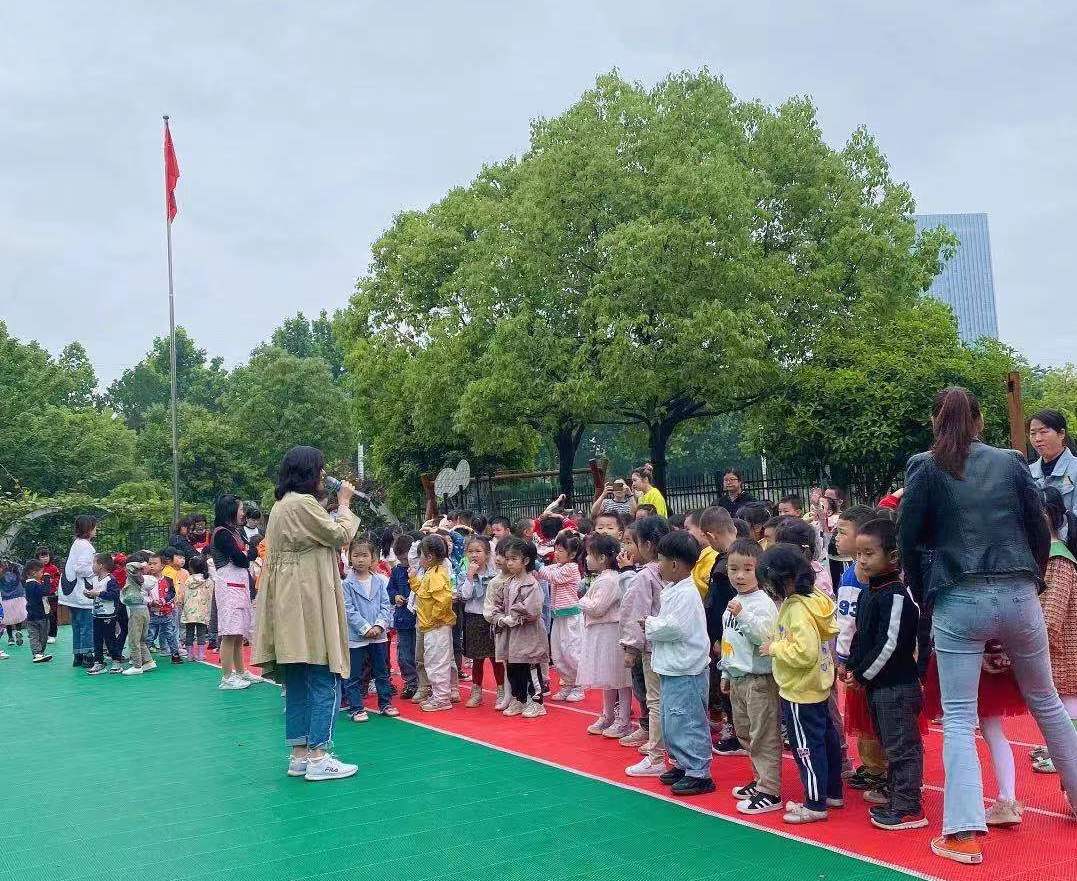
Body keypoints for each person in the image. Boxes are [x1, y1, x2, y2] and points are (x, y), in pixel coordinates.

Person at [898, 386, 1077, 865]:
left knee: (959, 716)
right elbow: (1038, 528)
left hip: (958, 596)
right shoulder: (1011, 462)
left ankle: (962, 833)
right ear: (978, 421)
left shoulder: (924, 467)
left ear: (935, 422)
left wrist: (925, 594)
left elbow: (909, 539)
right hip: (1018, 591)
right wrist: (1033, 580)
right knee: (1047, 703)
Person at [253, 446, 360, 782]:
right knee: (325, 672)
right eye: (320, 468)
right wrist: (344, 504)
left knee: (298, 678)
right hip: (309, 599)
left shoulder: (282, 505)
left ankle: (300, 754)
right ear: (308, 472)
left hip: (289, 601)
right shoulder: (303, 504)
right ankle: (319, 755)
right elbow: (341, 534)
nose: (323, 474)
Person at [843, 519, 926, 831]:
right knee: (889, 743)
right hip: (879, 686)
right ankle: (897, 794)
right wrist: (852, 665)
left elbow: (889, 644)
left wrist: (862, 675)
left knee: (902, 746)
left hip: (897, 686)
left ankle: (908, 806)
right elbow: (862, 636)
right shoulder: (869, 592)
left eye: (869, 553)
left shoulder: (895, 595)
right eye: (858, 554)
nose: (862, 561)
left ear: (892, 556)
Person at [758, 544, 842, 825]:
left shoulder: (797, 608)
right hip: (816, 683)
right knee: (826, 739)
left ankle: (815, 803)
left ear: (786, 579)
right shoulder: (813, 599)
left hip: (799, 688)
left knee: (806, 746)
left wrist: (774, 648)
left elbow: (804, 652)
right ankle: (832, 792)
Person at [646, 530, 715, 796]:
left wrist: (649, 624)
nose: (658, 565)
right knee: (672, 719)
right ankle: (682, 763)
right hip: (673, 667)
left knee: (687, 719)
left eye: (661, 559)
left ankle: (698, 771)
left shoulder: (687, 593)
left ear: (674, 564)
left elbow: (675, 628)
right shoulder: (675, 590)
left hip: (686, 670)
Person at [720, 538, 782, 814]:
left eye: (747, 569)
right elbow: (729, 640)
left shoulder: (762, 603)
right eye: (734, 569)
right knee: (745, 733)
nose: (740, 576)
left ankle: (770, 790)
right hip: (738, 678)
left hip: (759, 680)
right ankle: (759, 780)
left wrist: (744, 615)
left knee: (763, 735)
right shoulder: (735, 601)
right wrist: (725, 670)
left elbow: (764, 638)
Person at [832, 504, 888, 793]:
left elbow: (848, 622)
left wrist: (842, 657)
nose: (836, 538)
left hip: (864, 656)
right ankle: (872, 765)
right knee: (865, 714)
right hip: (862, 654)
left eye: (842, 532)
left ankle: (881, 770)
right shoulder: (852, 571)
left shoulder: (858, 577)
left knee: (871, 714)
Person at [619, 515, 671, 777]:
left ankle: (656, 755)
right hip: (672, 646)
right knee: (669, 700)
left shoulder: (645, 577)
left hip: (653, 647)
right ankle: (671, 750)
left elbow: (635, 613)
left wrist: (631, 647)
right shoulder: (674, 572)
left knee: (656, 700)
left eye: (634, 542)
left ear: (647, 545)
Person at [1030, 487, 1077, 775]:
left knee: (1068, 702)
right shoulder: (1049, 555)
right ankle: (1060, 750)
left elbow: (1052, 615)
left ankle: (1067, 756)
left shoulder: (1058, 560)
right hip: (1059, 646)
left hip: (1065, 648)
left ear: (1046, 516)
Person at [579, 533, 634, 738]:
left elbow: (597, 608)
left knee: (619, 677)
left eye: (589, 554)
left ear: (602, 558)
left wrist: (581, 601)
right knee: (608, 677)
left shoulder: (610, 579)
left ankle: (623, 720)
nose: (586, 558)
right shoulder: (604, 578)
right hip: (603, 632)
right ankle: (608, 715)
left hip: (611, 633)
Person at [490, 536, 548, 718]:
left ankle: (537, 702)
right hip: (512, 635)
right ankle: (519, 698)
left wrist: (514, 616)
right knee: (514, 668)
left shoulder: (532, 584)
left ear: (526, 561)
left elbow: (533, 610)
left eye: (514, 559)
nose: (509, 563)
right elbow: (498, 604)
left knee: (530, 667)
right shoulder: (509, 583)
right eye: (507, 559)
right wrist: (500, 618)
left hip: (529, 634)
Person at [341, 535, 396, 721]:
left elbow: (385, 605)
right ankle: (356, 707)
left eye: (365, 555)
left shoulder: (380, 580)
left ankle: (385, 703)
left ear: (373, 558)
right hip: (356, 637)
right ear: (350, 557)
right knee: (354, 673)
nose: (360, 559)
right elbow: (349, 610)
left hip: (378, 636)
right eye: (356, 555)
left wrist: (379, 626)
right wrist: (365, 628)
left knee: (381, 671)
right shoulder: (346, 584)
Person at [409, 534, 457, 712]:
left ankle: (442, 698)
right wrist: (413, 579)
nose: (419, 558)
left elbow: (443, 599)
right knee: (432, 661)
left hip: (436, 626)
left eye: (421, 555)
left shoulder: (436, 574)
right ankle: (439, 695)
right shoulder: (431, 572)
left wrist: (436, 618)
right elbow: (423, 592)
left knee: (437, 663)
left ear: (429, 557)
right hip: (431, 625)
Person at [211, 495, 255, 689]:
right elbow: (240, 559)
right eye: (241, 509)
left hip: (239, 585)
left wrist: (248, 554)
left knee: (238, 633)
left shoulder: (236, 531)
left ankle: (241, 671)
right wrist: (249, 554)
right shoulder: (221, 534)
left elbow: (247, 554)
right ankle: (227, 677)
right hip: (228, 586)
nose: (243, 513)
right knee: (229, 632)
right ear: (231, 510)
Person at [535, 531, 584, 703]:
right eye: (556, 549)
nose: (556, 553)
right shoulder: (557, 566)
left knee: (572, 652)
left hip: (571, 617)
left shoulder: (571, 568)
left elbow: (552, 576)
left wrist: (537, 565)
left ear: (572, 554)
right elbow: (544, 573)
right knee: (558, 653)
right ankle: (567, 684)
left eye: (561, 550)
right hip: (558, 616)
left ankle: (579, 685)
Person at [458, 534, 501, 708]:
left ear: (488, 554)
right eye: (470, 551)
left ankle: (502, 690)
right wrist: (470, 576)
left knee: (496, 657)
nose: (474, 555)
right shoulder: (464, 574)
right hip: (473, 619)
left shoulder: (496, 574)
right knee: (477, 659)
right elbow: (465, 595)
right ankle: (476, 691)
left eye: (478, 551)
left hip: (491, 619)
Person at [62, 515, 97, 667]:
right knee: (87, 624)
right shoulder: (86, 546)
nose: (96, 530)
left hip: (71, 591)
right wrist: (96, 570)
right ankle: (88, 655)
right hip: (81, 591)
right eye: (94, 527)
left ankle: (78, 655)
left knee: (77, 624)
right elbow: (82, 568)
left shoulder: (77, 543)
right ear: (89, 529)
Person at [387, 534, 419, 700]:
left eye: (406, 559)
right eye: (401, 559)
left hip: (420, 618)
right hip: (403, 619)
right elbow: (390, 589)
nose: (404, 562)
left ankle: (424, 684)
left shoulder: (420, 570)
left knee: (420, 653)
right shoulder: (396, 571)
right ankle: (410, 683)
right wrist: (395, 596)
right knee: (404, 654)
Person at [1029, 410, 1077, 518]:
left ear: (1061, 434)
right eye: (1033, 433)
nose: (1037, 439)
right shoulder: (1027, 472)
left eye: (1043, 432)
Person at [85, 553, 124, 674]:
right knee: (97, 639)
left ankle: (116, 661)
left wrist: (98, 593)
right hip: (96, 614)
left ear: (101, 565)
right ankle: (98, 662)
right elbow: (96, 596)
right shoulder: (94, 579)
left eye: (94, 563)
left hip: (109, 615)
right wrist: (89, 594)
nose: (92, 566)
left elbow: (114, 595)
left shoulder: (110, 580)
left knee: (109, 638)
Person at [121, 553, 156, 675]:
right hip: (144, 610)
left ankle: (137, 665)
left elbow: (130, 567)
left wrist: (141, 565)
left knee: (134, 639)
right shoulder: (149, 579)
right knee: (141, 639)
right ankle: (148, 661)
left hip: (136, 611)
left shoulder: (135, 577)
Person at [146, 551, 182, 664]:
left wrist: (163, 600)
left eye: (154, 563)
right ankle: (145, 657)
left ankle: (175, 655)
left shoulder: (168, 580)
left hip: (166, 613)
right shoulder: (145, 580)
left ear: (162, 566)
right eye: (150, 564)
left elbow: (172, 593)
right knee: (149, 636)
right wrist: (151, 602)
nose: (151, 566)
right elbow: (144, 594)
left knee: (170, 634)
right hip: (152, 613)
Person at [181, 554, 213, 662]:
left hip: (189, 610)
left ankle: (190, 655)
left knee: (189, 632)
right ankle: (201, 655)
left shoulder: (188, 580)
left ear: (191, 568)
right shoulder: (208, 580)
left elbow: (183, 594)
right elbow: (211, 595)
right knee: (201, 633)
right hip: (203, 609)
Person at [21, 559, 52, 663]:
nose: (42, 574)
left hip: (32, 616)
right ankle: (38, 653)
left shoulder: (29, 584)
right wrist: (47, 579)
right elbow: (46, 591)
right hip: (40, 616)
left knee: (36, 636)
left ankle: (38, 653)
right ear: (34, 573)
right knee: (41, 636)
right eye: (41, 572)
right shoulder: (33, 584)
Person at [35, 547, 60, 644]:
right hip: (40, 596)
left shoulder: (53, 568)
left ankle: (52, 635)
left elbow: (58, 579)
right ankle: (41, 634)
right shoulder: (36, 569)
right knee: (41, 616)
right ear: (38, 558)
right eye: (42, 557)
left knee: (52, 615)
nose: (45, 558)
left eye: (47, 556)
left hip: (52, 595)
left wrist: (51, 582)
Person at [1, 560, 26, 647]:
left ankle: (10, 638)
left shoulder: (2, 576)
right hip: (18, 597)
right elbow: (21, 574)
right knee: (18, 616)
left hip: (6, 599)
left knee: (8, 619)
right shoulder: (16, 574)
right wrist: (14, 566)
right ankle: (18, 631)